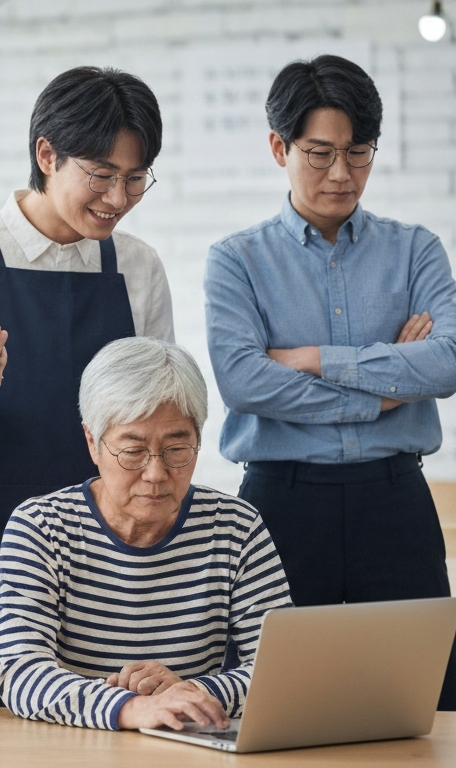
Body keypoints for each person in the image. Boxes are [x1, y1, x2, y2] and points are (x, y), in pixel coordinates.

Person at [0, 67, 175, 707]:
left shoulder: (136, 268)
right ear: (46, 154)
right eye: (101, 175)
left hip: (110, 565)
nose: (118, 197)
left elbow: (163, 417)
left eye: (136, 179)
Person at [205, 54, 456, 709]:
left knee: (428, 694)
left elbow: (447, 363)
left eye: (359, 152)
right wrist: (386, 388)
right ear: (277, 147)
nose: (342, 174)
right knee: (277, 697)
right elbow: (243, 382)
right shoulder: (236, 260)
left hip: (395, 496)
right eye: (319, 154)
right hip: (282, 504)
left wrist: (313, 356)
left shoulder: (417, 249)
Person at [0, 337, 293, 730]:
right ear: (92, 443)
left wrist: (192, 694)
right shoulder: (40, 527)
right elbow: (20, 671)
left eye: (176, 449)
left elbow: (283, 670)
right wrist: (131, 708)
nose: (156, 474)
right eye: (133, 451)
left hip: (189, 748)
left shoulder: (236, 527)